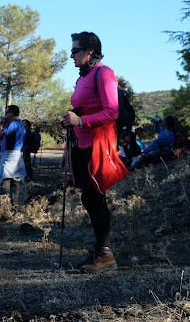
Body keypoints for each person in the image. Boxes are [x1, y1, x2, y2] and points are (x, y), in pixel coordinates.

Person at [61, 31, 128, 274]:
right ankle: (101, 250)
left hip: (98, 146)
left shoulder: (104, 73)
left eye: (75, 50)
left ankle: (106, 255)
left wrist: (80, 121)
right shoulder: (82, 78)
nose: (71, 55)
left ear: (90, 51)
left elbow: (112, 111)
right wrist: (71, 136)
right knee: (89, 197)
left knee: (94, 197)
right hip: (81, 146)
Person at [0, 105, 27, 204]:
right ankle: (14, 204)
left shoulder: (14, 124)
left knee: (5, 179)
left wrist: (1, 123)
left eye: (7, 112)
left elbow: (0, 134)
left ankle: (6, 204)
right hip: (16, 154)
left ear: (11, 113)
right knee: (15, 180)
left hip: (10, 155)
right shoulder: (19, 123)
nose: (5, 115)